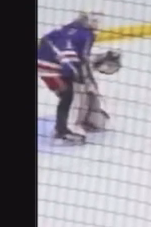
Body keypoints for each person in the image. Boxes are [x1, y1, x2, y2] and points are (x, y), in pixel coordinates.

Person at [38, 13, 120, 144]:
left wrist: (99, 59)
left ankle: (88, 118)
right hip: (49, 67)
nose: (98, 25)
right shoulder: (85, 34)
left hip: (51, 63)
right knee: (70, 92)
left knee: (79, 87)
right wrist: (74, 72)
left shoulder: (72, 30)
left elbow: (79, 58)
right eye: (96, 22)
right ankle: (63, 130)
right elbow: (67, 54)